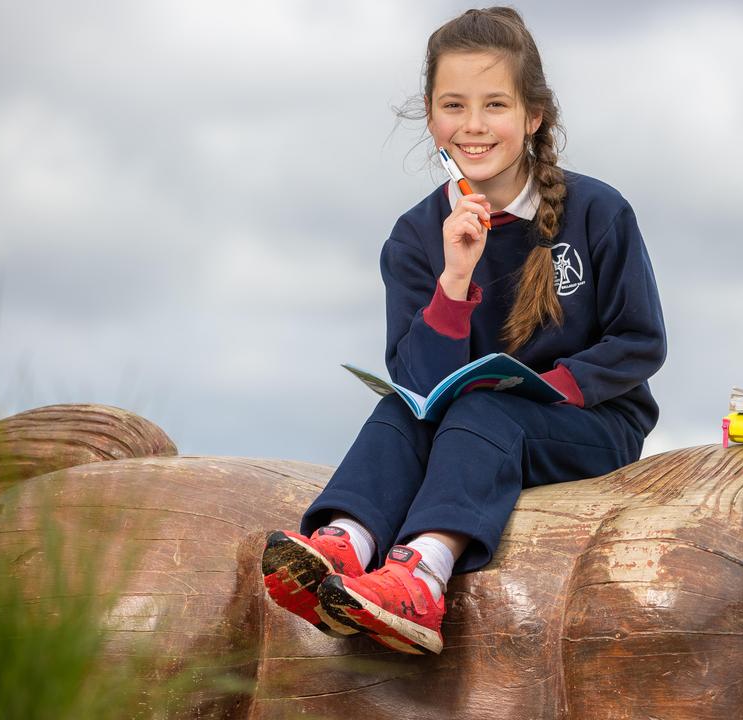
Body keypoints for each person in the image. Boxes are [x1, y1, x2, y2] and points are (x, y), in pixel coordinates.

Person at [261, 6, 665, 656]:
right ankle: (343, 548)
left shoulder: (598, 212)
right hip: (465, 428)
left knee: (482, 407)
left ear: (533, 115)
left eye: (495, 105)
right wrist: (455, 278)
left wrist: (552, 387)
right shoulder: (416, 236)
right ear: (431, 117)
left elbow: (640, 341)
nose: (473, 126)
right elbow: (418, 379)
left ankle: (422, 576)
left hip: (588, 429)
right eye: (454, 104)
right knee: (400, 409)